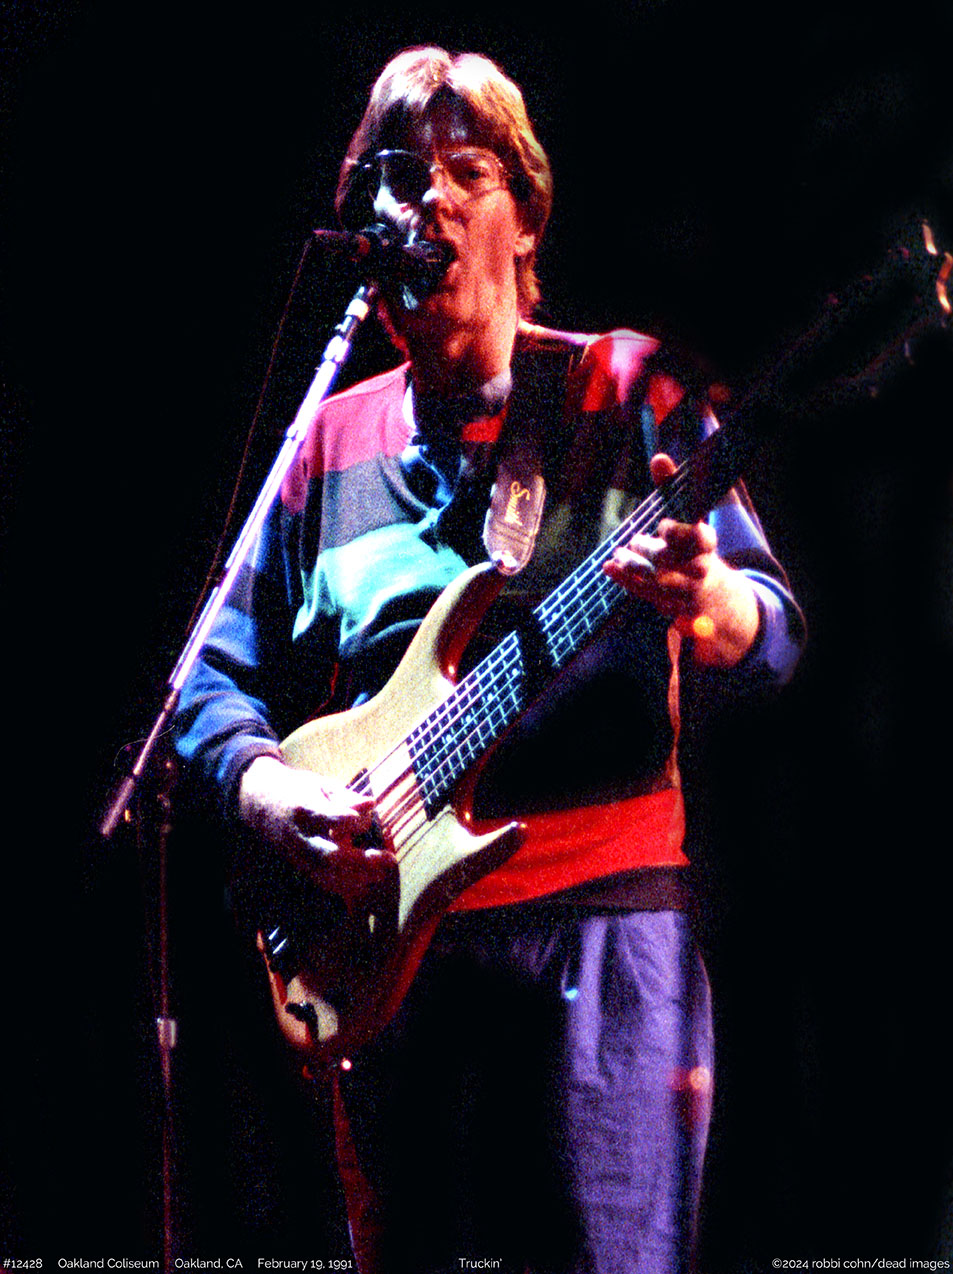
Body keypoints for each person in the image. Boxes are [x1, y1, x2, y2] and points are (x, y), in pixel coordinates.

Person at [174, 45, 805, 1274]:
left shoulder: (628, 388)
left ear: (524, 221)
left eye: (467, 172)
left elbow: (771, 629)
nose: (433, 202)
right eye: (403, 178)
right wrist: (271, 791)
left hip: (600, 951)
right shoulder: (329, 443)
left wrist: (710, 598)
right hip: (390, 967)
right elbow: (207, 677)